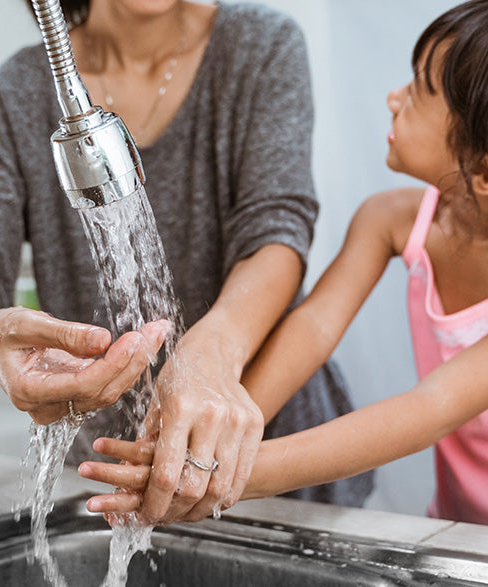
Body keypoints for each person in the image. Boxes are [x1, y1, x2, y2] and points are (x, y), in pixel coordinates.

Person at [0, 0, 372, 525]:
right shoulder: (10, 99)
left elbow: (276, 232)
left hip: (279, 464)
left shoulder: (259, 46)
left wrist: (213, 352)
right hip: (120, 482)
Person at [78, 0, 488, 525]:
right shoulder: (392, 218)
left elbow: (430, 408)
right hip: (460, 527)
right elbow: (314, 327)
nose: (394, 97)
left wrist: (230, 475)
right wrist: (211, 440)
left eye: (420, 91)